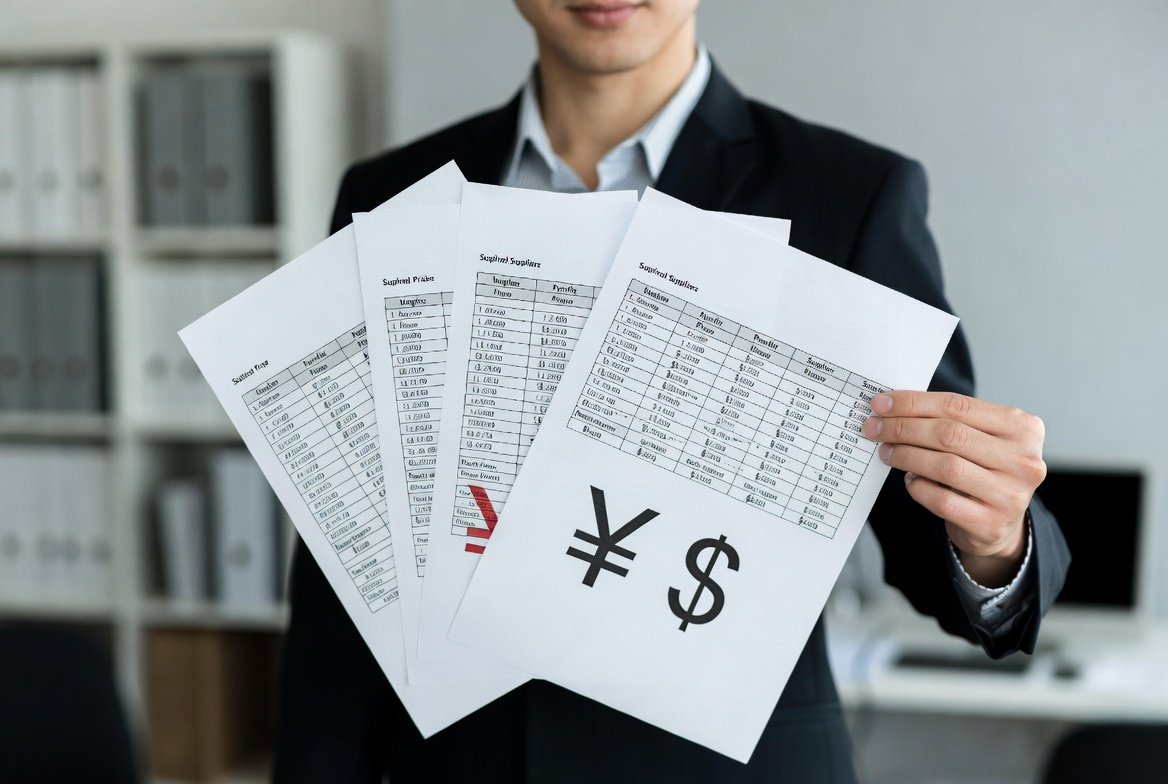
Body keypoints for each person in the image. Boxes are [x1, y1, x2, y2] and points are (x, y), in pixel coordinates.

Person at [273, 2, 1070, 781]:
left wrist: (994, 543)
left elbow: (927, 521)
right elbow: (344, 562)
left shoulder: (850, 192)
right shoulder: (389, 193)